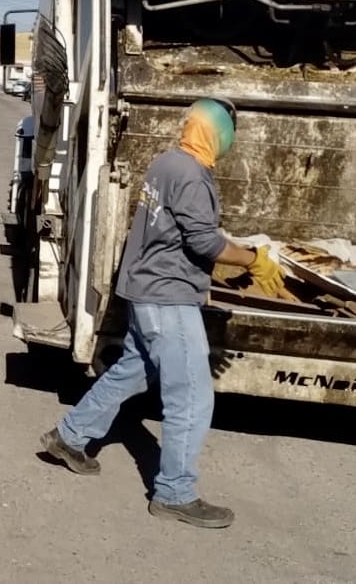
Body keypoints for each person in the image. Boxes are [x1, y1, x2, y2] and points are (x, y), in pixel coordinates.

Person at [39, 97, 286, 529]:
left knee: (133, 372)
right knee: (191, 396)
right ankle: (174, 492)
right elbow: (205, 242)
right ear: (218, 132)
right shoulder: (192, 176)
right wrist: (252, 259)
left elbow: (182, 234)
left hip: (145, 292)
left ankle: (68, 437)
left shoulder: (167, 163)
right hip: (167, 298)